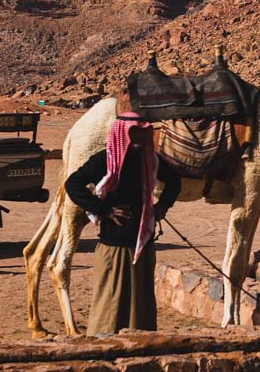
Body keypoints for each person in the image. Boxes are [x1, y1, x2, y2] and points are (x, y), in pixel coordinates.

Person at [63, 115, 181, 335]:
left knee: (140, 303)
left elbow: (174, 181)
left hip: (142, 244)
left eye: (141, 133)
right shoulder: (105, 160)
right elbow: (73, 183)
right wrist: (102, 209)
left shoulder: (150, 161)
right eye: (133, 133)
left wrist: (161, 207)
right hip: (114, 247)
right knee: (110, 303)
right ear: (122, 134)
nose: (138, 138)